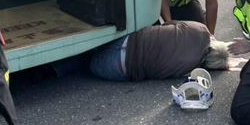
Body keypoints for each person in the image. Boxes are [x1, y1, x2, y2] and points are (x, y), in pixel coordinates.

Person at [89, 21, 230, 82]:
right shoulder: (188, 67)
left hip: (130, 39)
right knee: (90, 65)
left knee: (91, 46)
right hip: (124, 66)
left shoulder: (199, 28)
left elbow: (169, 24)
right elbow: (156, 72)